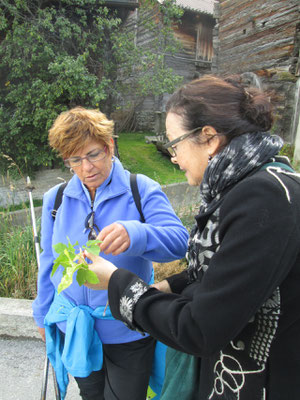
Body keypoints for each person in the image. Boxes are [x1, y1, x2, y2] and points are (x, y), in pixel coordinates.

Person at [83, 75, 300, 400]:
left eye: (174, 143)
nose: (173, 156)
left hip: (255, 381)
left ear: (209, 138)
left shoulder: (261, 200)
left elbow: (199, 329)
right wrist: (171, 286)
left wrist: (118, 282)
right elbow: (227, 270)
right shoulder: (259, 182)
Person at [32, 106, 189, 400]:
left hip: (127, 329)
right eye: (74, 160)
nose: (86, 168)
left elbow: (180, 241)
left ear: (110, 146)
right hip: (75, 328)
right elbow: (49, 261)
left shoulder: (141, 189)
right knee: (90, 396)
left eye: (93, 155)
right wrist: (42, 315)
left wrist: (136, 234)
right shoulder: (55, 199)